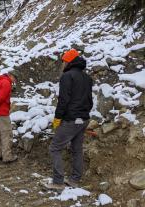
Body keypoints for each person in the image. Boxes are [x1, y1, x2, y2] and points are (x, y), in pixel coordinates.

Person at [45, 49, 93, 190]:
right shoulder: (87, 77)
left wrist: (57, 118)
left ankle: (58, 181)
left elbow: (63, 100)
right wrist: (83, 114)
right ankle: (74, 179)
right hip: (83, 119)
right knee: (77, 149)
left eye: (64, 61)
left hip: (70, 119)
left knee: (54, 148)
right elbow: (89, 101)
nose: (63, 64)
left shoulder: (67, 76)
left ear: (69, 61)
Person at [0, 70, 19, 163]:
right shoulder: (6, 82)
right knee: (6, 133)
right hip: (1, 112)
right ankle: (7, 156)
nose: (14, 81)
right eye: (14, 79)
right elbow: (1, 97)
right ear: (11, 76)